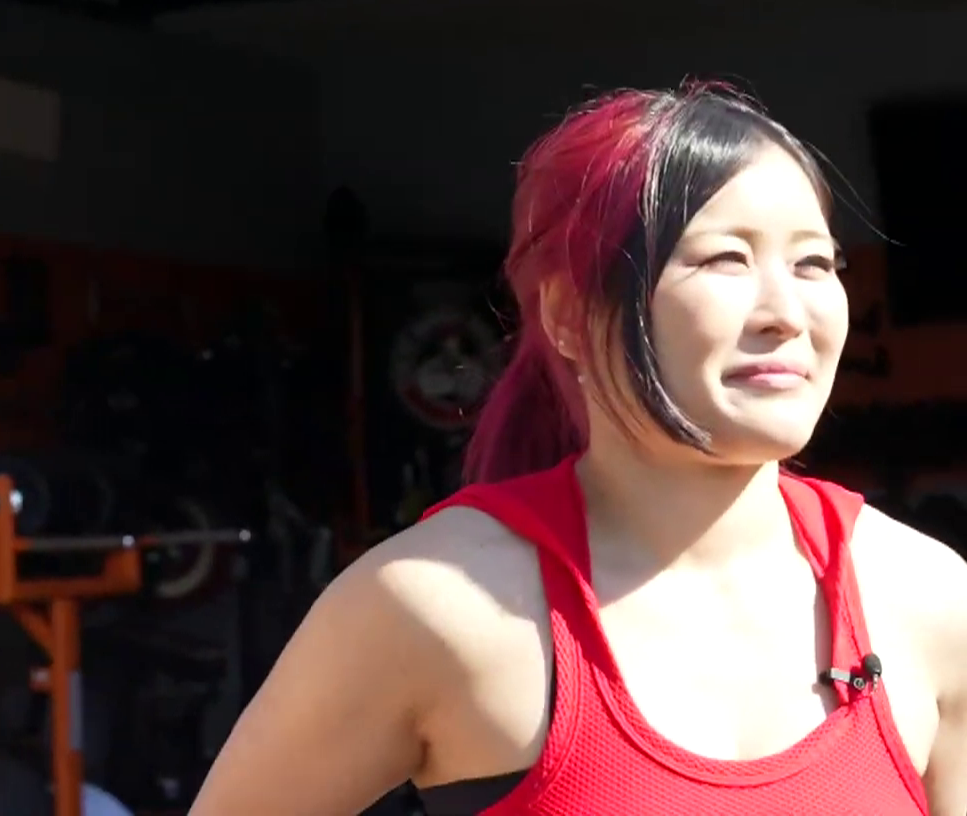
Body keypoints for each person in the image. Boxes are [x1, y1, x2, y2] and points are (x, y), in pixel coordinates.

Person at [188, 83, 967, 815]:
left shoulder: (927, 599)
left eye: (813, 263)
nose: (787, 313)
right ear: (568, 314)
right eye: (725, 259)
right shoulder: (435, 602)